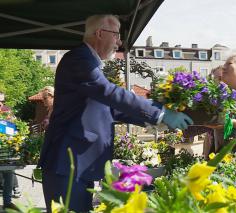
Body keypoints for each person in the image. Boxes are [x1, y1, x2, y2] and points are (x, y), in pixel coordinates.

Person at [37, 15, 193, 212]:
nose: (119, 43)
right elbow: (110, 93)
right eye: (117, 35)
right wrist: (160, 113)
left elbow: (110, 109)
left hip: (78, 164)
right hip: (66, 164)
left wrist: (156, 121)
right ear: (100, 33)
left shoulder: (88, 62)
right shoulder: (79, 59)